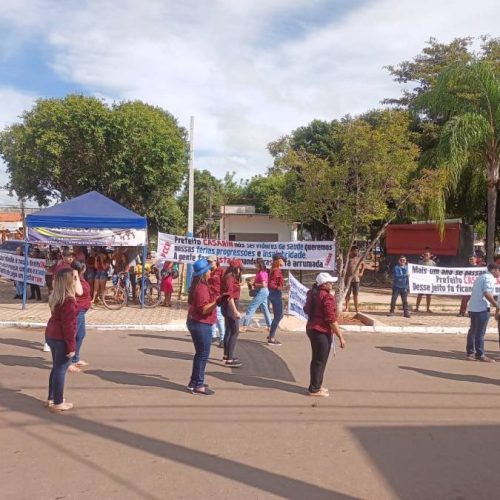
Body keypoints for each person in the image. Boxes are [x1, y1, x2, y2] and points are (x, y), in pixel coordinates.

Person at [303, 272, 346, 397]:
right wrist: (341, 337)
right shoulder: (327, 297)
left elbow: (306, 309)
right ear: (324, 284)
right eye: (330, 283)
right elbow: (331, 319)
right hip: (320, 331)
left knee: (318, 359)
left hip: (311, 329)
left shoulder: (312, 293)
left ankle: (317, 386)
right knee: (319, 360)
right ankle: (314, 389)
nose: (332, 284)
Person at [44, 267, 79, 412]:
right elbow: (68, 327)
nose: (76, 280)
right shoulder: (68, 300)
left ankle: (52, 398)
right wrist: (71, 347)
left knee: (56, 368)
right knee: (60, 369)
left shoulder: (56, 296)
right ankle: (58, 402)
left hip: (51, 335)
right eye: (74, 278)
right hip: (60, 337)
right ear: (68, 282)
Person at [186, 258, 218, 395]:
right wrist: (217, 302)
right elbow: (204, 309)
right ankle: (198, 384)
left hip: (197, 322)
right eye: (209, 270)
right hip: (201, 323)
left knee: (200, 354)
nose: (211, 272)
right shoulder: (202, 288)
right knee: (203, 354)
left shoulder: (198, 285)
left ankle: (194, 382)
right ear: (204, 272)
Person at [466, 263, 500, 362]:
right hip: (481, 308)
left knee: (472, 331)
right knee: (480, 333)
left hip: (473, 307)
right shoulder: (489, 278)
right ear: (493, 270)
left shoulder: (480, 277)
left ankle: (470, 353)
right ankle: (480, 354)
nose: (499, 273)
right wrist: (496, 304)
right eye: (499, 270)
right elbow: (487, 293)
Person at [68, 260, 90, 373]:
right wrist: (75, 275)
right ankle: (68, 362)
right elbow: (79, 292)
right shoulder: (74, 280)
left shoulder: (81, 278)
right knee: (73, 336)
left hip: (82, 311)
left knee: (80, 335)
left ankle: (76, 358)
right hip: (77, 311)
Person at [221, 259, 243, 367]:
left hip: (228, 306)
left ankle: (227, 354)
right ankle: (230, 359)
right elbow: (229, 297)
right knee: (235, 331)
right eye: (240, 268)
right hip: (230, 306)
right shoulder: (230, 278)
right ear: (236, 268)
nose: (240, 271)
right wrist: (235, 311)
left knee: (229, 330)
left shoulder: (229, 276)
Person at [241, 257, 272, 331]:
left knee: (251, 308)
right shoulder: (261, 272)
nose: (254, 264)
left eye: (255, 263)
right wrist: (254, 283)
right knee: (265, 309)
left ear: (258, 263)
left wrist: (254, 284)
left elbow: (264, 284)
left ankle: (245, 325)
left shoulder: (261, 273)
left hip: (262, 291)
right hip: (263, 291)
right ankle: (270, 326)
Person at [267, 253, 286, 345]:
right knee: (278, 316)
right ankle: (272, 338)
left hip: (275, 294)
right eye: (283, 259)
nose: (284, 261)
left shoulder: (275, 270)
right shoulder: (276, 271)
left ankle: (271, 333)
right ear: (279, 261)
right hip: (275, 294)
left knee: (279, 316)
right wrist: (283, 288)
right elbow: (271, 284)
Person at [207, 255, 225, 347]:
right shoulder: (209, 271)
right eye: (208, 262)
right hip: (210, 296)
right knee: (212, 315)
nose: (209, 263)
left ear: (216, 261)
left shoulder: (221, 271)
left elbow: (224, 283)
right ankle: (213, 335)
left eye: (211, 261)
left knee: (219, 317)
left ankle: (222, 338)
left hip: (218, 296)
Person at [344, 246, 364, 312]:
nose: (356, 252)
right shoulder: (347, 259)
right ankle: (347, 308)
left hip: (356, 279)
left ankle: (356, 309)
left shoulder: (359, 259)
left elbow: (364, 265)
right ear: (351, 251)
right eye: (355, 251)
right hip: (348, 280)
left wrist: (361, 272)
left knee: (356, 295)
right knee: (347, 294)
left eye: (357, 251)